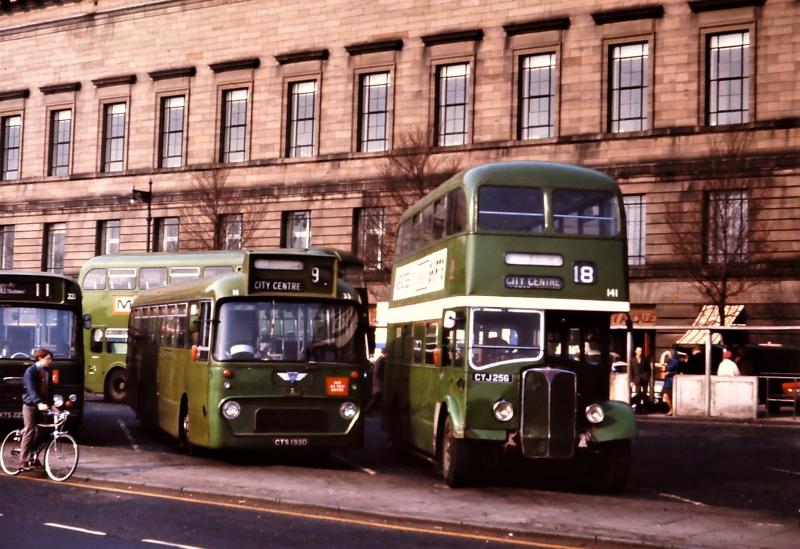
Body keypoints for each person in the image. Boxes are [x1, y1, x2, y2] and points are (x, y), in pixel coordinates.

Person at [19, 348, 54, 472]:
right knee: (30, 430)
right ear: (40, 358)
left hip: (41, 406)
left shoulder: (48, 371)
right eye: (48, 358)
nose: (50, 361)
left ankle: (33, 456)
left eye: (51, 359)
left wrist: (52, 405)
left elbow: (49, 390)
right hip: (30, 405)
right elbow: (31, 390)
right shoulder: (30, 371)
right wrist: (39, 403)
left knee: (42, 431)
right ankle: (23, 461)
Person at [365, 347, 387, 413]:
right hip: (378, 380)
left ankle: (370, 409)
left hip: (377, 379)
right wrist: (381, 378)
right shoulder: (381, 360)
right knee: (376, 395)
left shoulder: (379, 359)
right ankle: (367, 409)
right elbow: (378, 371)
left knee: (377, 395)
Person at [662, 348, 681, 416]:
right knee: (666, 396)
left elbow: (675, 371)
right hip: (668, 380)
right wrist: (664, 355)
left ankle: (671, 409)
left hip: (670, 380)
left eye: (669, 354)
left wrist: (668, 373)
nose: (669, 355)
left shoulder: (675, 361)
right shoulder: (670, 361)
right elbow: (663, 364)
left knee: (666, 395)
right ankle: (671, 409)